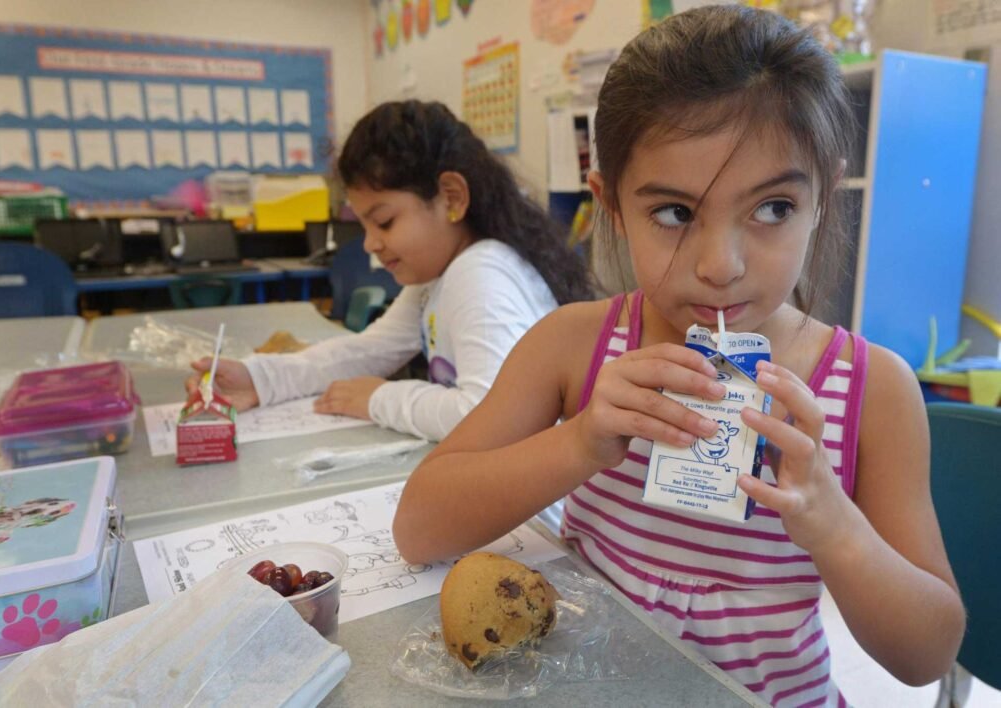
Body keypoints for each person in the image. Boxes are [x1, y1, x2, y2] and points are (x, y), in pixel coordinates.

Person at [392, 6, 964, 705]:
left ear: (822, 197)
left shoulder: (872, 391)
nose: (720, 265)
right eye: (674, 213)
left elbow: (927, 654)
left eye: (774, 207)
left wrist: (833, 523)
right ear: (611, 205)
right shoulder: (575, 347)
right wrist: (580, 442)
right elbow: (419, 528)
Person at [186, 101, 593, 441]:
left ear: (452, 198)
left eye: (384, 222)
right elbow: (368, 351)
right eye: (364, 225)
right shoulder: (440, 275)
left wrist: (379, 399)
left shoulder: (480, 272)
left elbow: (490, 416)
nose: (370, 244)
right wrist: (258, 379)